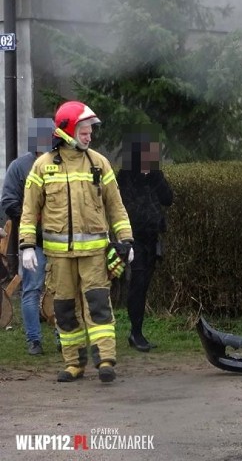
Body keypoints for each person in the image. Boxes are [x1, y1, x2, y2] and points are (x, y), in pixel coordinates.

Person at [19, 101, 134, 383]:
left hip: (95, 253)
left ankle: (105, 360)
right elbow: (29, 209)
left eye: (90, 131)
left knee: (98, 306)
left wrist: (126, 240)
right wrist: (26, 245)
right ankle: (73, 364)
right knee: (65, 311)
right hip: (59, 258)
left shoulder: (99, 163)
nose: (89, 136)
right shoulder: (43, 166)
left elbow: (116, 206)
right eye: (84, 131)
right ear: (68, 131)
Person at [1, 118, 55, 355]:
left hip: (60, 240)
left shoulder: (61, 163)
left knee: (62, 290)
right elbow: (8, 200)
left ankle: (64, 338)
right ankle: (34, 339)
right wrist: (30, 219)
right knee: (32, 289)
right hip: (32, 241)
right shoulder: (19, 167)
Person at [116, 129, 174, 352]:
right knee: (137, 285)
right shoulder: (126, 175)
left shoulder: (155, 175)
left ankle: (137, 331)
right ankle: (135, 332)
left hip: (152, 239)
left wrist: (156, 177)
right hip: (133, 240)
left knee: (144, 284)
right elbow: (126, 207)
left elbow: (168, 199)